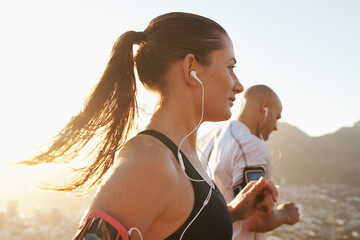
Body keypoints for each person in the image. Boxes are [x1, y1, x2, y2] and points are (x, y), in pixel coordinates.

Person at [22, 13, 278, 240]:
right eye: (230, 67)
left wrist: (231, 212)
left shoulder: (183, 155)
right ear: (191, 68)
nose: (239, 85)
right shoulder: (150, 163)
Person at [197, 85, 300, 240]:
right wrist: (285, 214)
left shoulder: (211, 137)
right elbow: (254, 220)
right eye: (277, 117)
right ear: (264, 107)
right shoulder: (250, 145)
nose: (276, 127)